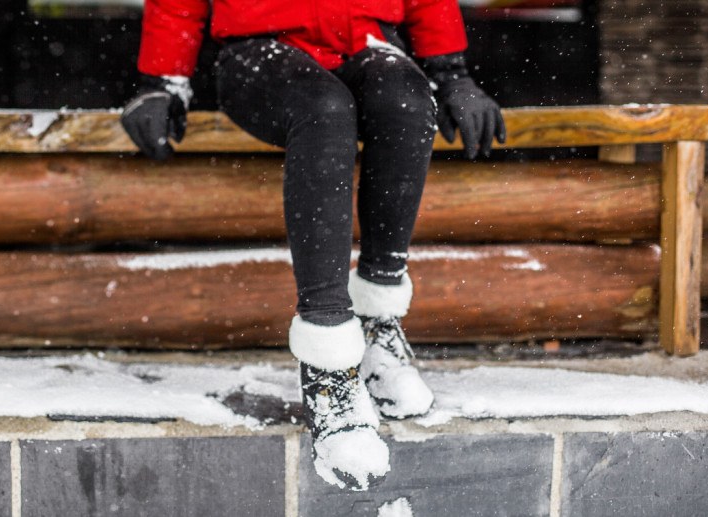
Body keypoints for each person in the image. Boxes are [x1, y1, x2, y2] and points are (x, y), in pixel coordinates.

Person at [121, 0, 505, 491]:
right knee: (324, 110)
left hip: (366, 41)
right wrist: (162, 83)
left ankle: (376, 326)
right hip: (258, 51)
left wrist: (452, 74)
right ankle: (327, 366)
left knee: (408, 102)